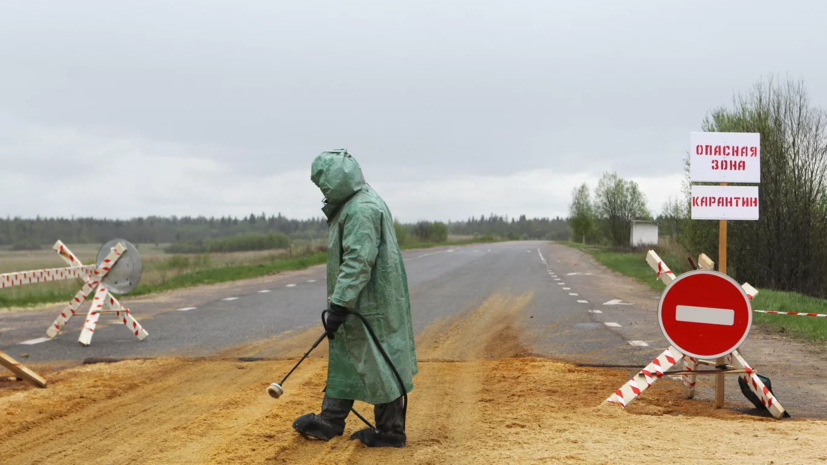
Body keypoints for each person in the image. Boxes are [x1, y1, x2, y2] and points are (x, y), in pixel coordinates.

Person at [292, 149, 418, 448]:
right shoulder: (356, 202)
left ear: (338, 177)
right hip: (361, 300)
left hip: (368, 302)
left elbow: (358, 261)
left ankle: (390, 432)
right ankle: (331, 420)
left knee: (377, 361)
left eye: (323, 181)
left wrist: (340, 302)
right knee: (350, 356)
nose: (322, 189)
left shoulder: (361, 208)